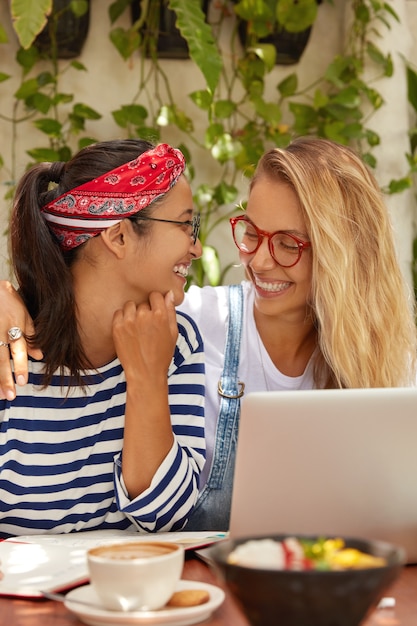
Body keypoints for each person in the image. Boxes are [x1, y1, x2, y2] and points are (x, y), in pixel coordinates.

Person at [1, 137, 416, 531]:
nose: (259, 261)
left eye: (288, 244)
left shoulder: (394, 361)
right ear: (120, 235)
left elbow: (163, 509)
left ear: (342, 254)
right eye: (251, 233)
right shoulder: (193, 320)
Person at [0, 139, 205, 537]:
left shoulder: (177, 343)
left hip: (128, 596)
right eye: (185, 224)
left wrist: (147, 379)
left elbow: (168, 518)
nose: (196, 247)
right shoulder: (9, 352)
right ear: (118, 236)